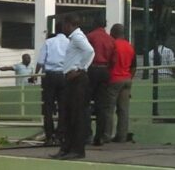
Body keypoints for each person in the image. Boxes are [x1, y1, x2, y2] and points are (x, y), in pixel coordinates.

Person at [51, 14, 94, 161]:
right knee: (68, 115)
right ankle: (66, 148)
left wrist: (80, 68)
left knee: (76, 116)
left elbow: (90, 51)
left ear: (69, 24)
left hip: (77, 80)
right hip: (70, 79)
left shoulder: (77, 37)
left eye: (63, 24)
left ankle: (77, 150)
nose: (62, 27)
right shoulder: (74, 38)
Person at [35, 25, 69, 146]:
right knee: (63, 107)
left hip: (49, 76)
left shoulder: (48, 42)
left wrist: (35, 74)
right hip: (64, 76)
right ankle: (61, 135)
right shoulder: (69, 42)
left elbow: (40, 61)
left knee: (48, 107)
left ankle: (49, 136)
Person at [104, 23, 136, 143]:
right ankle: (121, 136)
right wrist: (129, 78)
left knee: (109, 109)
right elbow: (133, 66)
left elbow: (109, 63)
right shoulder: (130, 46)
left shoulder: (112, 45)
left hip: (114, 80)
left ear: (113, 33)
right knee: (123, 110)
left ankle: (106, 135)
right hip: (127, 79)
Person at [87, 15, 115, 146]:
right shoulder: (110, 39)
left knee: (85, 102)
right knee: (102, 106)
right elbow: (113, 60)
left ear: (94, 23)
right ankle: (100, 136)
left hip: (92, 69)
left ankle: (87, 134)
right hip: (105, 71)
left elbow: (85, 53)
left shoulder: (90, 36)